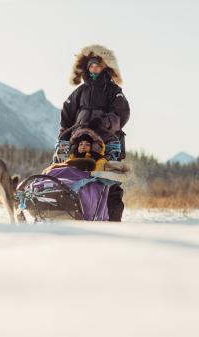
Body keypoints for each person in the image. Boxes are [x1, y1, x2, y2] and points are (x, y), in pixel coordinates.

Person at [57, 45, 130, 221]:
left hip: (107, 141)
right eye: (91, 66)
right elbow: (66, 114)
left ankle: (112, 220)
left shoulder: (114, 91)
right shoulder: (79, 91)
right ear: (87, 68)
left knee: (109, 182)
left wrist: (102, 122)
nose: (94, 69)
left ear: (105, 67)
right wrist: (64, 135)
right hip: (80, 139)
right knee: (68, 174)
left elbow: (122, 114)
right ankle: (66, 212)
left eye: (98, 65)